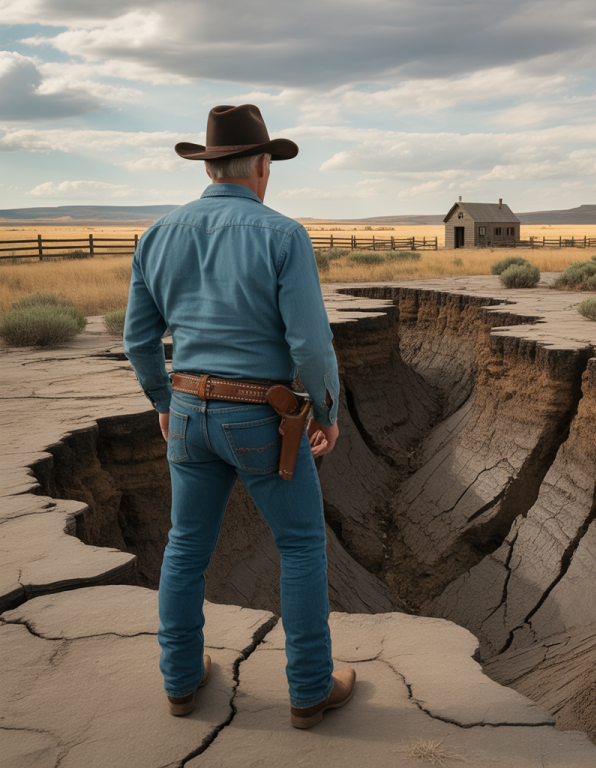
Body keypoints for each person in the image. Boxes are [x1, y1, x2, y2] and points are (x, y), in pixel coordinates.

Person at [123, 104, 355, 729]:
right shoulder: (283, 235)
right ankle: (309, 689)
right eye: (269, 165)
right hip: (261, 420)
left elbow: (138, 342)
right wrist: (327, 412)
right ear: (260, 165)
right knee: (302, 544)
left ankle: (181, 679)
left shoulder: (157, 235)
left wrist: (163, 404)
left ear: (209, 163)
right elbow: (309, 344)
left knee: (185, 546)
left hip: (189, 412)